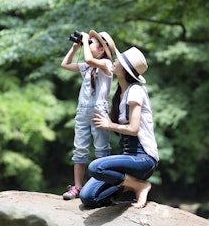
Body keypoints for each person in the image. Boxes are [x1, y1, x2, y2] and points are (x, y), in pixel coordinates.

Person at [79, 46, 159, 209]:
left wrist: (109, 124)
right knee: (88, 197)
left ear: (125, 69)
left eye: (118, 60)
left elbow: (133, 129)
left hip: (142, 158)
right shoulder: (119, 94)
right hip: (128, 158)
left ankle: (139, 186)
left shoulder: (136, 90)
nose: (114, 61)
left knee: (96, 167)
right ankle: (127, 184)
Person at [61, 30, 116, 200]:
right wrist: (75, 48)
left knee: (101, 149)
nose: (88, 44)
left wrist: (85, 42)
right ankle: (77, 186)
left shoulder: (107, 64)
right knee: (80, 149)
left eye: (92, 43)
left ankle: (102, 185)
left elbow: (88, 59)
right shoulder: (87, 66)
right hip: (82, 111)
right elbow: (65, 64)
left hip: (99, 111)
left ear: (101, 50)